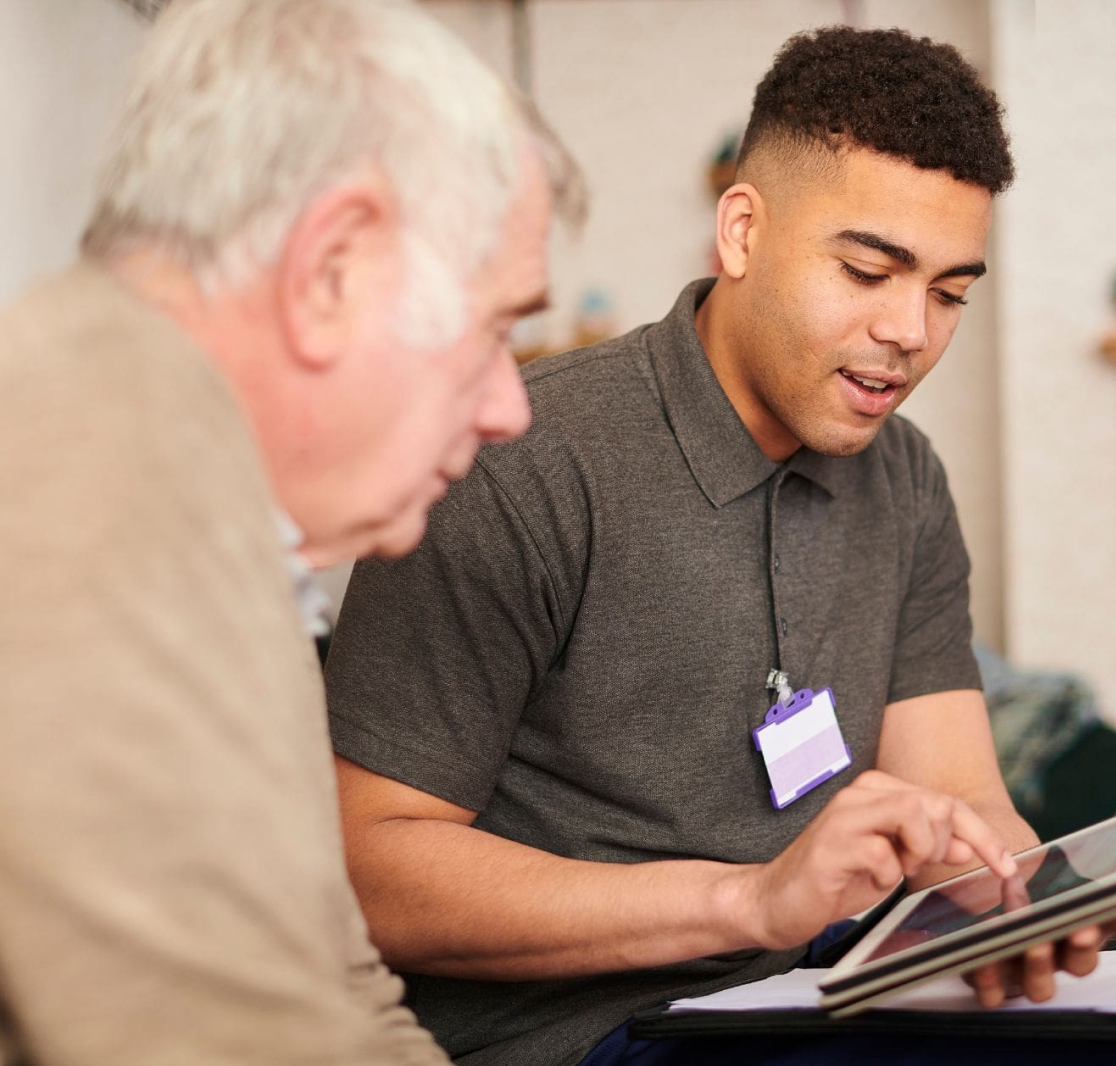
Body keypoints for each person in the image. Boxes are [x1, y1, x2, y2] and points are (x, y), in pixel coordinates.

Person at [323, 25, 1112, 1066]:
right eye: (869, 269)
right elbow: (365, 877)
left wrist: (1022, 899)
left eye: (950, 291)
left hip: (821, 983)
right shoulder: (516, 461)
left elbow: (961, 794)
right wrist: (750, 902)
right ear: (741, 232)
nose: (911, 331)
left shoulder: (905, 476)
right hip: (580, 1033)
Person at [0, 1, 583, 1063]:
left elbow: (333, 977)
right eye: (496, 326)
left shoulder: (191, 477)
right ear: (332, 270)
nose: (510, 407)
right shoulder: (101, 509)